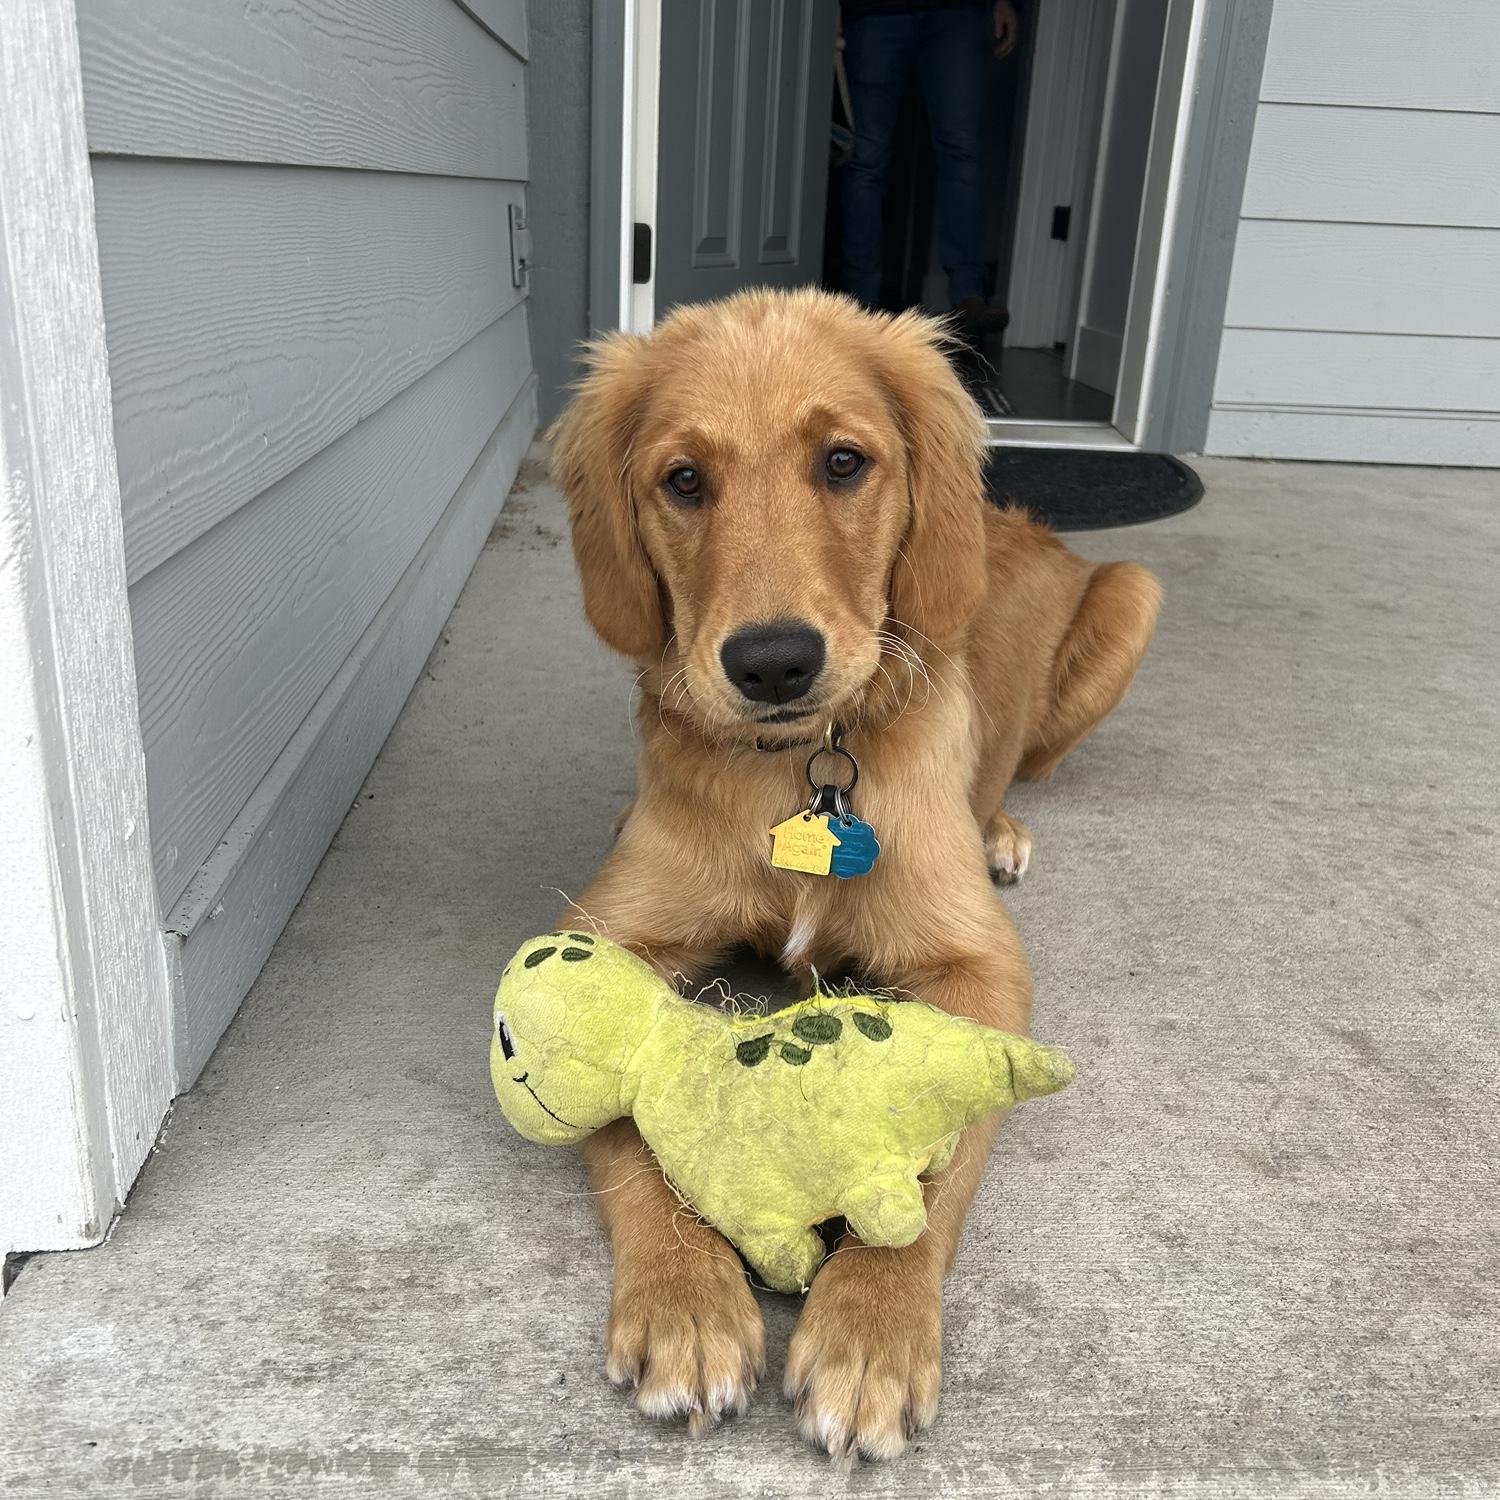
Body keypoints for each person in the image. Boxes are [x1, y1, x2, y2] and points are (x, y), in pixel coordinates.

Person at [838, 0, 1018, 336]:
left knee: (960, 152)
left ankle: (968, 296)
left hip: (955, 12)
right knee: (865, 160)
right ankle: (858, 303)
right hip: (875, 11)